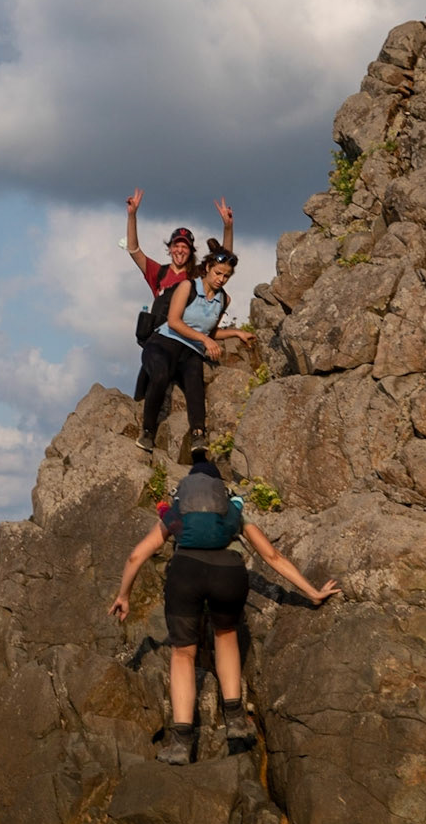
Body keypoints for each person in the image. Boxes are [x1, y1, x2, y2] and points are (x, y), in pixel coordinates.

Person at [108, 455, 340, 764]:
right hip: (229, 574)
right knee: (227, 634)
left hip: (185, 574)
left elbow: (137, 556)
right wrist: (312, 591)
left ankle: (181, 743)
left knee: (182, 654)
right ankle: (234, 720)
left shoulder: (178, 511)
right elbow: (272, 556)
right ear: (219, 489)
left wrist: (124, 595)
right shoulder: (232, 511)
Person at [137, 241, 250, 453]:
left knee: (195, 382)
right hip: (164, 342)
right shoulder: (187, 286)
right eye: (218, 273)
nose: (220, 279)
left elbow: (211, 331)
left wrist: (236, 332)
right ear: (207, 267)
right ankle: (148, 432)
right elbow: (174, 321)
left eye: (226, 276)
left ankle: (198, 435)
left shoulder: (223, 299)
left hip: (190, 351)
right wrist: (205, 340)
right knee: (160, 375)